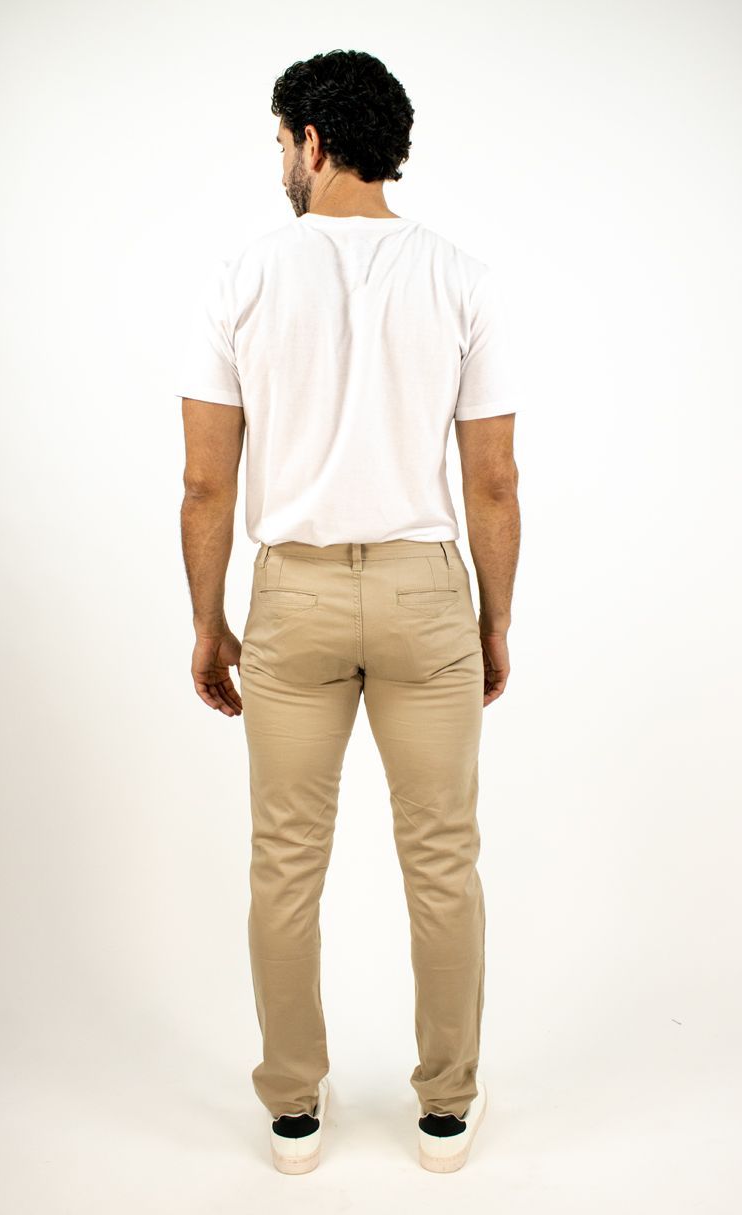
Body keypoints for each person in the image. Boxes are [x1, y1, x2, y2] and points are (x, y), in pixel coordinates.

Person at [178, 49, 521, 1174]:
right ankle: (446, 1110)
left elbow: (206, 484)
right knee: (443, 859)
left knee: (285, 861)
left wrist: (209, 623)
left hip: (295, 593)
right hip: (427, 594)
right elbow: (493, 483)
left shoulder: (241, 276)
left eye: (283, 142)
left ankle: (292, 1111)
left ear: (315, 143)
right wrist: (492, 622)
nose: (280, 161)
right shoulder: (463, 278)